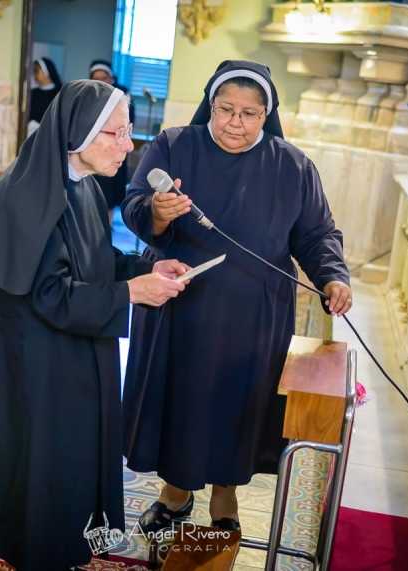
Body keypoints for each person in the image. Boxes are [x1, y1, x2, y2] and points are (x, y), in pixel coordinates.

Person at [121, 60, 352, 533]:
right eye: (225, 109)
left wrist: (332, 277)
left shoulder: (292, 165)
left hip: (256, 314)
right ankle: (174, 492)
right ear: (211, 104)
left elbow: (316, 234)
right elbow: (133, 203)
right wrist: (158, 211)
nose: (235, 122)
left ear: (267, 114)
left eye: (249, 113)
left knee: (240, 403)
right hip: (180, 303)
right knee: (180, 399)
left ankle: (225, 496)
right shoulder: (174, 145)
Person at [0, 80, 188, 570]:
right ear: (79, 133)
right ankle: (38, 552)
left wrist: (146, 267)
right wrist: (131, 293)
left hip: (81, 346)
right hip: (43, 362)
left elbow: (94, 259)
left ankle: (71, 545)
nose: (128, 146)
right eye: (116, 133)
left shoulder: (82, 183)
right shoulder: (25, 197)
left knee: (78, 454)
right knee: (47, 461)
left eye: (128, 132)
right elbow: (49, 294)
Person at [88, 60, 133, 217]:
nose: (101, 82)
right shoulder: (87, 98)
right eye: (96, 78)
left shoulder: (121, 98)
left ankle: (106, 227)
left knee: (108, 195)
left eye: (104, 78)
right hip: (93, 152)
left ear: (111, 78)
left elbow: (126, 125)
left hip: (113, 150)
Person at [27, 57, 62, 135]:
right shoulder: (32, 93)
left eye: (36, 71)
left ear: (46, 72)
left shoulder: (60, 93)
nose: (34, 74)